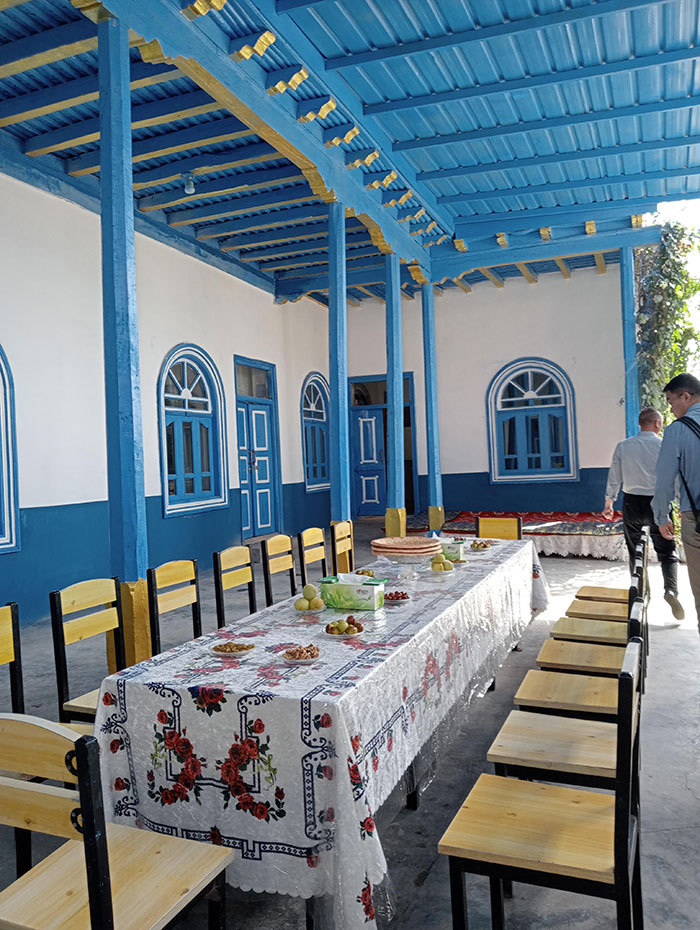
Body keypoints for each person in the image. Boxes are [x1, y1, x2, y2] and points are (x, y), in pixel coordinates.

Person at [603, 406, 684, 621]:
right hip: (659, 503)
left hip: (631, 503)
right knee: (667, 551)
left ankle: (640, 593)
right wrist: (681, 504)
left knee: (635, 550)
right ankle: (671, 590)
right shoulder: (665, 446)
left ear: (640, 424)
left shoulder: (623, 446)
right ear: (658, 423)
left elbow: (614, 475)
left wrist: (609, 501)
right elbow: (673, 477)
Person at [653, 372, 700, 625]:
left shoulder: (678, 431)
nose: (670, 409)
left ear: (686, 396)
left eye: (671, 401)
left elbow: (663, 480)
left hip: (696, 517)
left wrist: (662, 516)